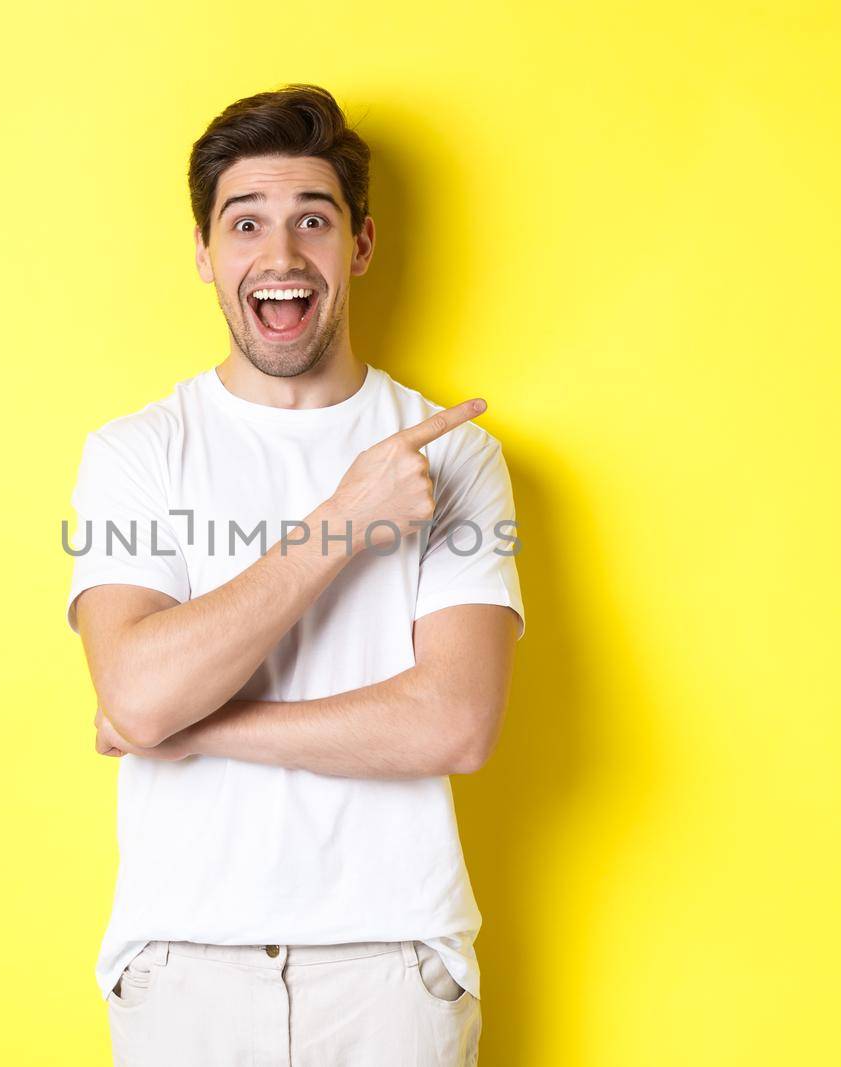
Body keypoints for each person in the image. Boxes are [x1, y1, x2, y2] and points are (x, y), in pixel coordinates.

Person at [64, 83, 525, 1066]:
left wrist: (202, 725)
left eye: (312, 220)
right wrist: (340, 524)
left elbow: (455, 721)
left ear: (357, 246)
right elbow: (140, 694)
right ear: (204, 252)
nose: (280, 256)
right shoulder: (136, 452)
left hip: (394, 962)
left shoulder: (451, 454)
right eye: (246, 224)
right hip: (183, 965)